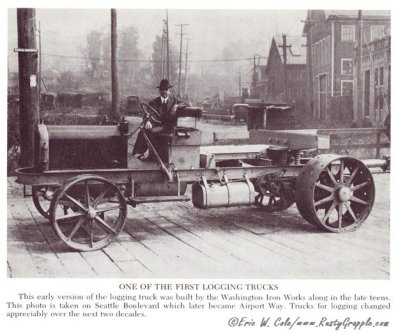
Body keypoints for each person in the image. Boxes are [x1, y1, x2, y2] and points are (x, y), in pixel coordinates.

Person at [132, 79, 183, 159]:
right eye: (162, 90)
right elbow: (147, 113)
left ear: (169, 91)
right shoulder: (154, 102)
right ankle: (138, 153)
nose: (164, 92)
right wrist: (148, 121)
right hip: (158, 126)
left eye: (166, 89)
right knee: (143, 131)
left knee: (152, 131)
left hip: (170, 127)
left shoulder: (175, 101)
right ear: (159, 91)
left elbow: (187, 104)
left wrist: (177, 106)